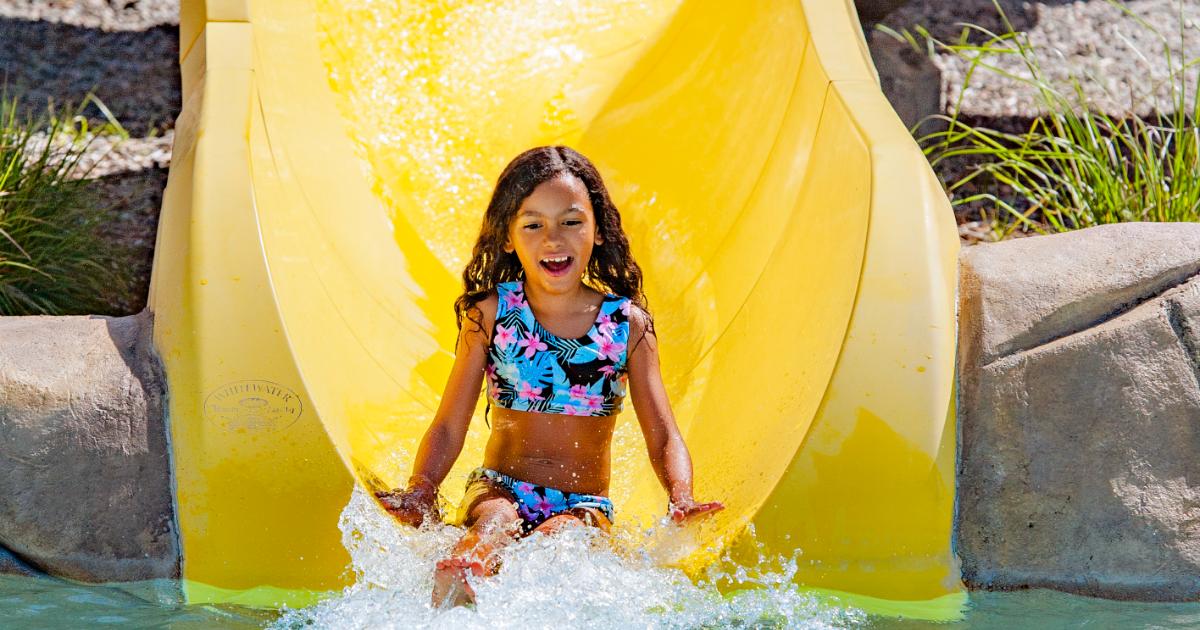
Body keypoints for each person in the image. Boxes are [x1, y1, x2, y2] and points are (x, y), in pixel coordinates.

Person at [375, 145, 723, 608]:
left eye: (571, 221)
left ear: (598, 231)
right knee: (495, 523)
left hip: (584, 504)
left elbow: (662, 434)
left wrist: (681, 496)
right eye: (533, 224)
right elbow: (448, 424)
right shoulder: (492, 314)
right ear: (507, 238)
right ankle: (462, 575)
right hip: (500, 485)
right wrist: (422, 490)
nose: (553, 239)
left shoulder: (627, 325)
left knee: (561, 538)